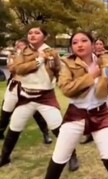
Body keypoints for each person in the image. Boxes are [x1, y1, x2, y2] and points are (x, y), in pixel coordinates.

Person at [0, 27, 79, 171]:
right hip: (25, 96)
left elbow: (58, 70)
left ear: (45, 36)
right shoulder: (22, 52)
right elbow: (19, 69)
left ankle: (72, 156)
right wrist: (39, 60)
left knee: (58, 128)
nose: (32, 35)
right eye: (30, 33)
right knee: (14, 128)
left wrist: (64, 82)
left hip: (45, 97)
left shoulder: (52, 52)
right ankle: (4, 157)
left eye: (37, 33)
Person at [44, 31, 108, 179]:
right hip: (75, 115)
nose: (79, 44)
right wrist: (90, 76)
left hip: (101, 115)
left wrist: (102, 90)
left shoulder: (104, 61)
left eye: (84, 40)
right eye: (75, 42)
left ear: (92, 43)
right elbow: (66, 89)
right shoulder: (67, 64)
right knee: (59, 158)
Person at [0, 39, 52, 144]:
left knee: (36, 112)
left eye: (22, 45)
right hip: (15, 86)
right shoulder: (13, 57)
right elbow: (12, 69)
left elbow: (40, 68)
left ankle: (46, 134)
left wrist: (33, 62)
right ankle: (1, 131)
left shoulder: (36, 55)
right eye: (17, 45)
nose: (20, 47)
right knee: (6, 110)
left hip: (30, 87)